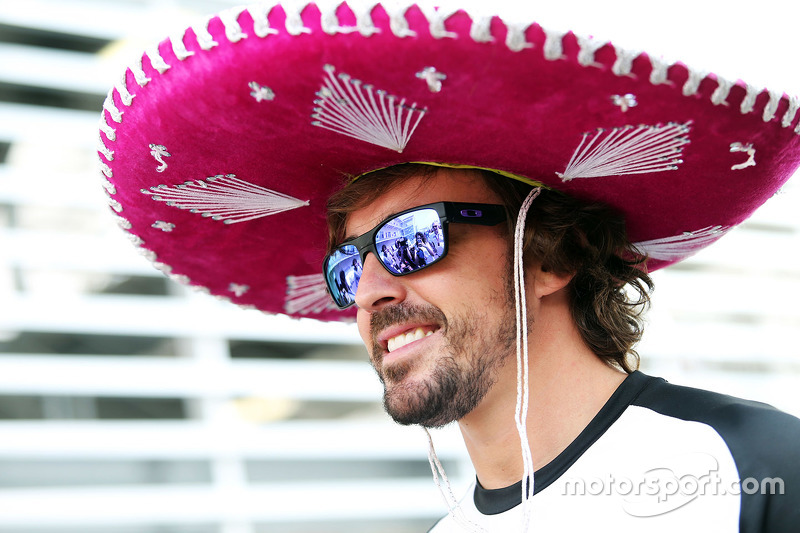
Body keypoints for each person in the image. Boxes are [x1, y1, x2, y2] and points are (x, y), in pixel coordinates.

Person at [98, 2, 800, 531]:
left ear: (552, 254)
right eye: (346, 267)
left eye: (411, 240)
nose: (368, 291)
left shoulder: (755, 471)